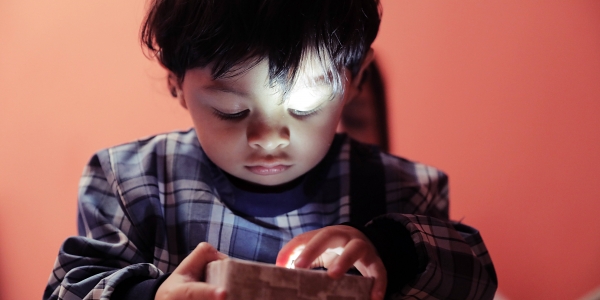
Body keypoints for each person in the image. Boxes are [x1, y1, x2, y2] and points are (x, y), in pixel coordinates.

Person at [44, 0, 497, 299]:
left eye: (305, 106)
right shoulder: (130, 180)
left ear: (356, 79)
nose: (269, 136)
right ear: (177, 85)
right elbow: (69, 287)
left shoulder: (401, 189)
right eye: (231, 109)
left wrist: (388, 249)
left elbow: (473, 279)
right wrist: (153, 296)